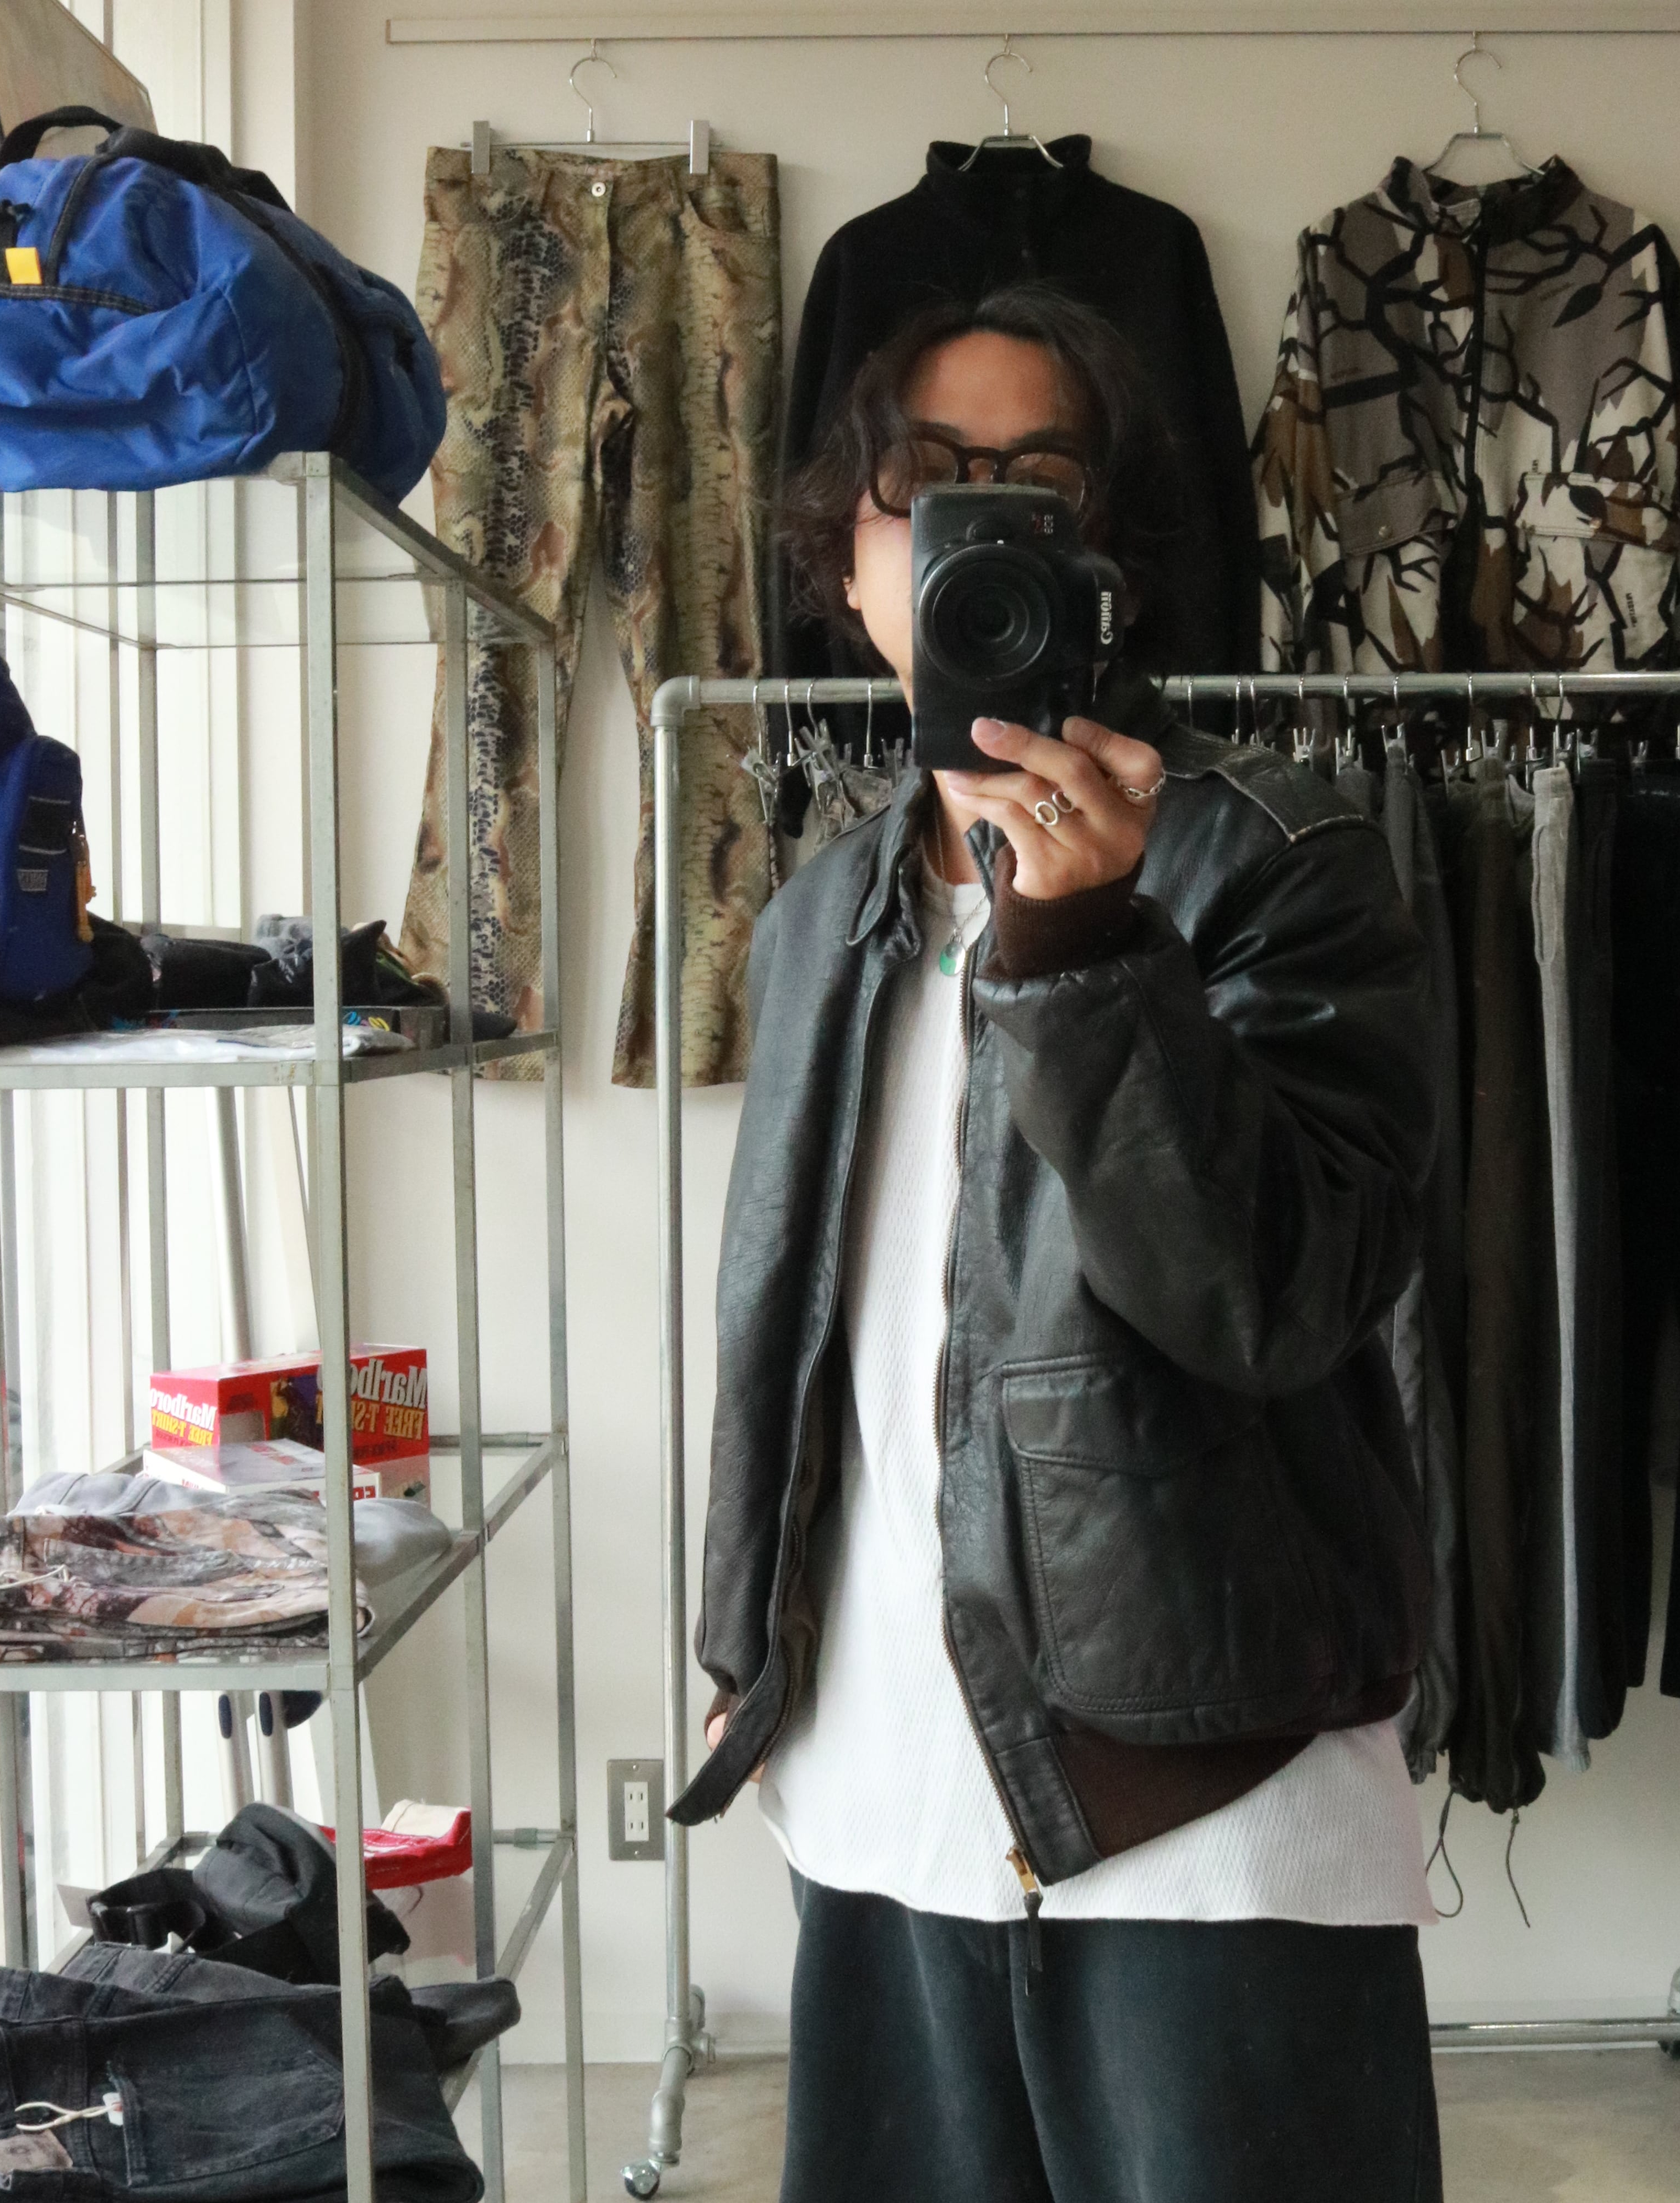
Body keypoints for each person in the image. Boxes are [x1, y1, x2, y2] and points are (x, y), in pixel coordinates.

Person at [675, 283, 1445, 2203]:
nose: (972, 521)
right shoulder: (823, 911)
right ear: (851, 557)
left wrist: (1088, 947)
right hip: (875, 1794)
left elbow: (1275, 1301)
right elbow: (797, 1329)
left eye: (1037, 481)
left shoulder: (1278, 860)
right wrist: (746, 1637)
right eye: (926, 477)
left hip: (1208, 1801)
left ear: (1106, 563)